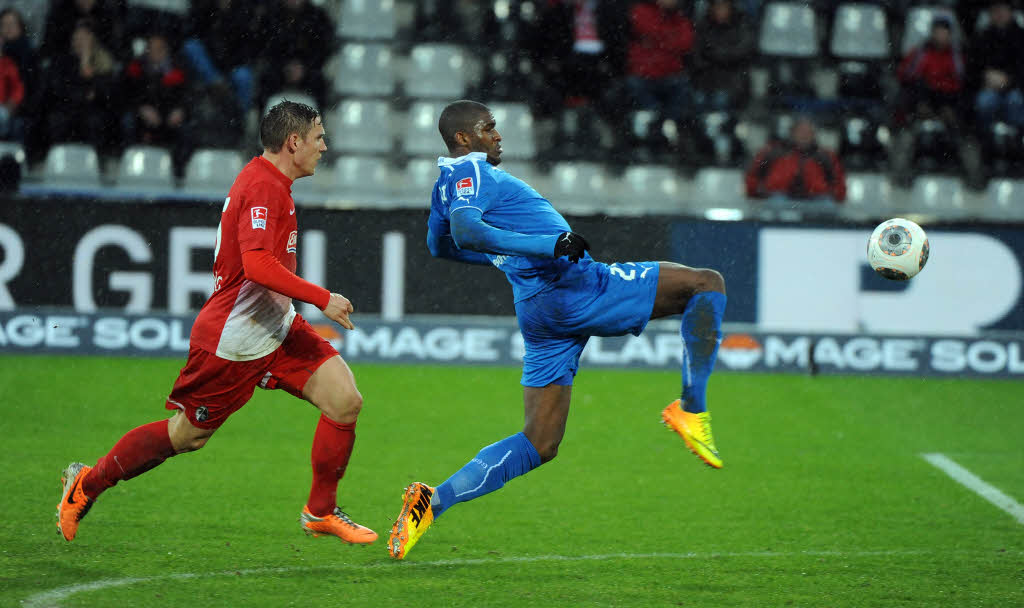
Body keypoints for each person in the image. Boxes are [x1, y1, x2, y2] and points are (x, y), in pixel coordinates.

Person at [386, 100, 727, 560]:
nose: (498, 136)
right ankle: (692, 408)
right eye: (489, 129)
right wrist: (549, 244)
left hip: (539, 308)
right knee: (707, 283)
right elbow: (465, 232)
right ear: (464, 138)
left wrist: (512, 258)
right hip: (577, 287)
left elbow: (438, 244)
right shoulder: (472, 173)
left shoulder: (445, 183)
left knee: (540, 442)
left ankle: (432, 501)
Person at [57, 101, 377, 546]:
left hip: (276, 328)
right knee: (187, 436)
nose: (325, 146)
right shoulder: (264, 188)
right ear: (294, 142)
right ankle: (86, 485)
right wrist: (323, 298)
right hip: (234, 340)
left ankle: (320, 511)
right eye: (319, 137)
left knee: (345, 401)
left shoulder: (271, 182)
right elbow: (258, 265)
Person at [745, 116, 847, 203]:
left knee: (827, 204)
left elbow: (839, 183)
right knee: (776, 202)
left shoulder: (826, 156)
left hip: (817, 200)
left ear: (814, 134)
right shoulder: (772, 153)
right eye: (801, 131)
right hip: (777, 198)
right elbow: (753, 175)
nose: (804, 135)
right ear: (792, 132)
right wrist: (758, 192)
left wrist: (832, 194)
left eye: (808, 132)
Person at [970, 1, 1024, 131]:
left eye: (1002, 10)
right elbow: (973, 68)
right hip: (988, 88)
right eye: (995, 10)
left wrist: (1009, 80)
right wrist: (985, 77)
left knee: (1015, 101)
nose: (999, 14)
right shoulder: (981, 37)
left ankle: (1016, 141)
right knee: (984, 103)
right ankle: (988, 142)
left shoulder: (1021, 37)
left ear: (1011, 12)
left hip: (1016, 88)